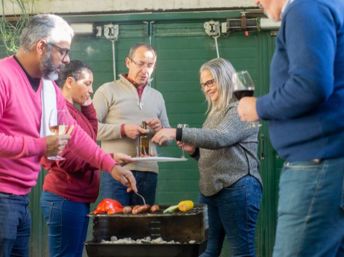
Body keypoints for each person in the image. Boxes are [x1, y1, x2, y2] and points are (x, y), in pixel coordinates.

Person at [0, 14, 136, 257]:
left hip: (20, 199)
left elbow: (75, 135)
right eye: (62, 52)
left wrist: (109, 164)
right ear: (41, 46)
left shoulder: (49, 88)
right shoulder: (3, 76)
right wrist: (40, 145)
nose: (67, 59)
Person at [237, 0, 344, 256]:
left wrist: (258, 108)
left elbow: (310, 86)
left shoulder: (305, 8)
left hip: (317, 163)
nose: (256, 2)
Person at [152, 58, 263, 257]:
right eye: (204, 84)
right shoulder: (214, 114)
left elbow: (221, 137)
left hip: (238, 188)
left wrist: (176, 132)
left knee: (241, 253)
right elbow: (216, 152)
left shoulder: (239, 108)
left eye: (211, 82)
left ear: (225, 79)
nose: (207, 88)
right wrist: (194, 151)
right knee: (206, 250)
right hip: (212, 190)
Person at [40, 60, 133, 257]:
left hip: (76, 198)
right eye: (87, 83)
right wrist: (109, 159)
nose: (91, 90)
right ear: (70, 82)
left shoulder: (73, 111)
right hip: (64, 198)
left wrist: (88, 104)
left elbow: (90, 135)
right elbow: (69, 160)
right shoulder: (59, 113)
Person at [93, 43, 170, 206]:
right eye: (140, 63)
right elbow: (90, 129)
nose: (145, 70)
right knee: (113, 227)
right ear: (128, 62)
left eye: (150, 65)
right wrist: (122, 130)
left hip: (149, 173)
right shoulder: (107, 90)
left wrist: (160, 131)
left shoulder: (158, 97)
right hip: (116, 171)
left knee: (143, 228)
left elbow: (168, 140)